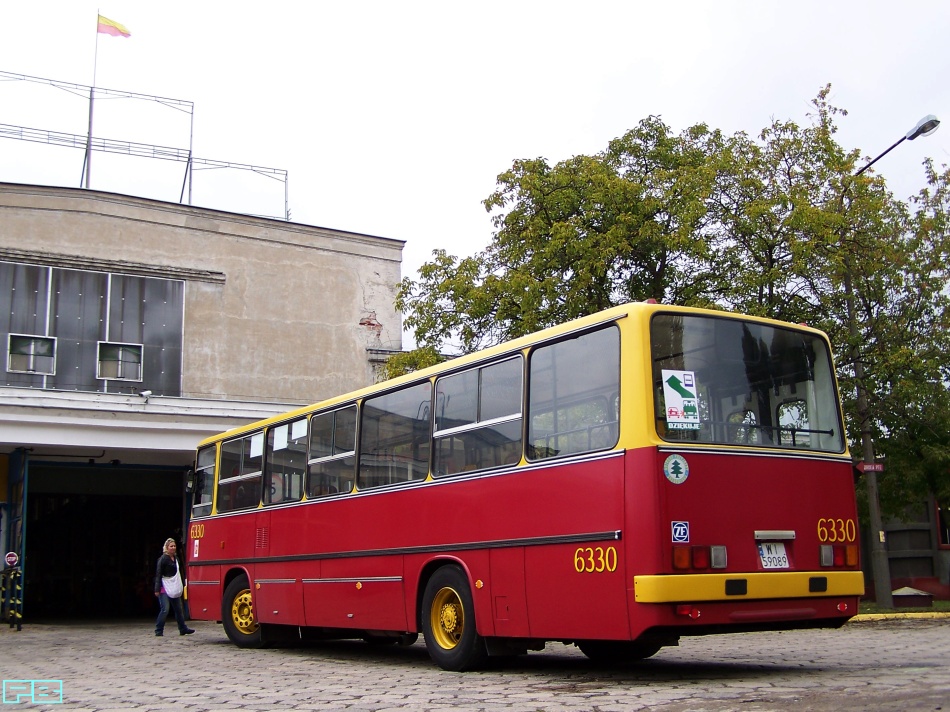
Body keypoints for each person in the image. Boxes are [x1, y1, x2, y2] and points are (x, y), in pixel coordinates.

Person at [153, 538, 195, 637]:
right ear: (167, 548)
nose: (173, 548)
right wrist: (157, 589)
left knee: (178, 609)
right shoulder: (163, 559)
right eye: (171, 546)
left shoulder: (176, 558)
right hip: (164, 587)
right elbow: (158, 574)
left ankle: (183, 628)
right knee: (165, 609)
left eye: (174, 546)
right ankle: (158, 630)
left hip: (174, 585)